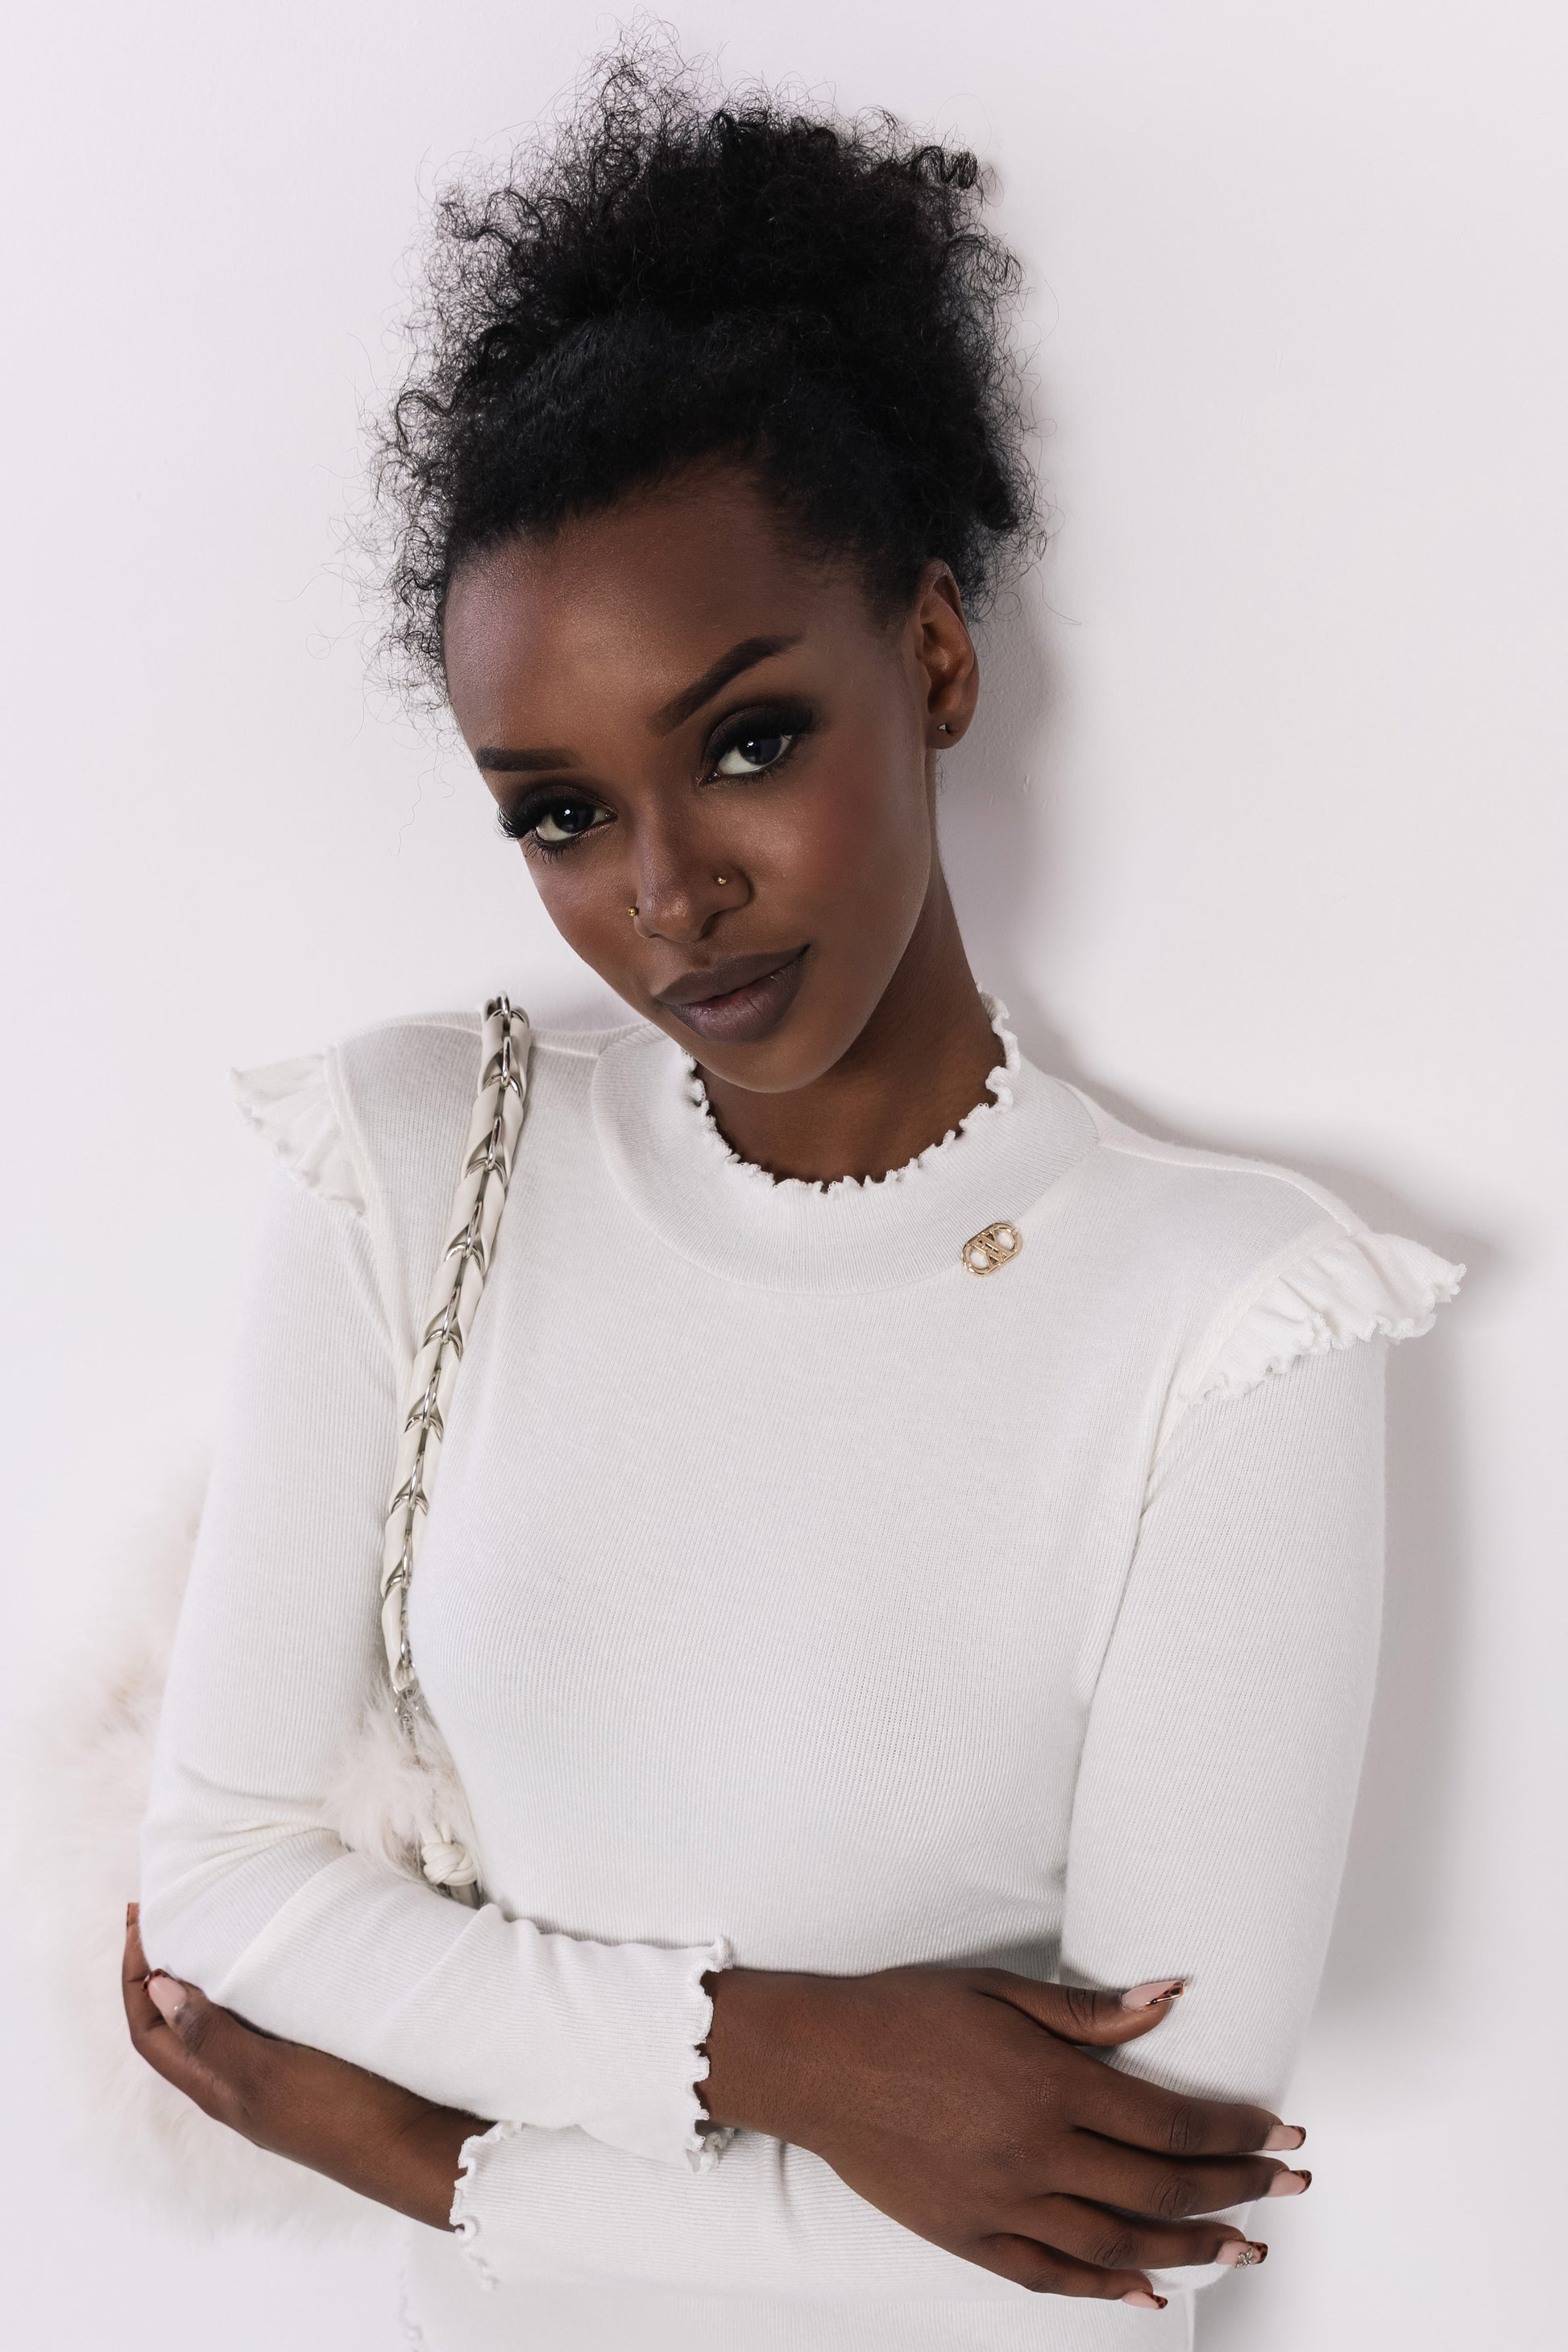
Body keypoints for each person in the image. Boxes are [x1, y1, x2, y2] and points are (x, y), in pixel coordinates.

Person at [124, 50, 1461, 2352]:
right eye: (558, 812)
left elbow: (1119, 2239)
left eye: (747, 742)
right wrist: (795, 2056)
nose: (666, 895)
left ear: (929, 658)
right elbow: (222, 1886)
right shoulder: (416, 1158)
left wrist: (421, 2156)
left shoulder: (1232, 1317)